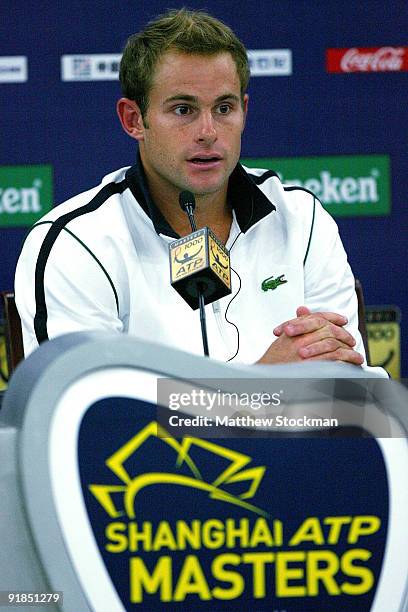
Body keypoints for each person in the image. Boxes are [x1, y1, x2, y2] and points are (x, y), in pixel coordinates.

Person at [15, 8, 368, 369]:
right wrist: (261, 385)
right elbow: (90, 412)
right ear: (134, 120)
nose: (208, 131)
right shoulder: (77, 243)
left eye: (224, 108)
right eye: (184, 109)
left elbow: (347, 385)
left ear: (244, 112)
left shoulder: (301, 218)